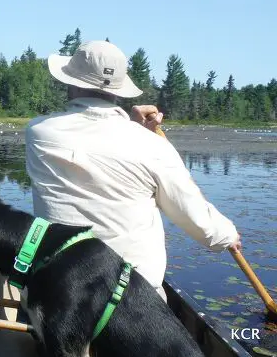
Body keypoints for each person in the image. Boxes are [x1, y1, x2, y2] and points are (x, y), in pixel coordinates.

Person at [24, 40, 242, 301]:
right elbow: (190, 209)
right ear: (118, 88)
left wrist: (134, 127)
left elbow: (95, 140)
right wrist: (226, 235)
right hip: (133, 295)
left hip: (61, 290)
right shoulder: (151, 146)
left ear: (72, 81)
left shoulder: (39, 132)